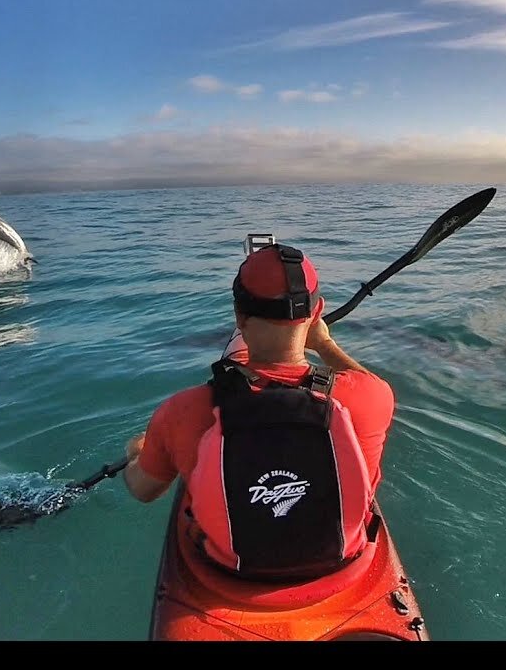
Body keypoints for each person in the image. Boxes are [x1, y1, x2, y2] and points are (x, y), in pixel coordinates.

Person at [122, 243, 395, 581]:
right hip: (340, 572)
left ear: (239, 317)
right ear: (317, 312)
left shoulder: (182, 411)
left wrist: (138, 452)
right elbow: (364, 379)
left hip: (229, 576)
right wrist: (325, 345)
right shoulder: (372, 397)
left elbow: (142, 490)